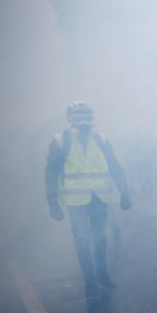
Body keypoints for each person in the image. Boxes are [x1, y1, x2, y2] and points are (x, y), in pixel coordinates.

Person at [45, 102, 131, 297]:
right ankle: (90, 281)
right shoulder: (60, 141)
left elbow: (114, 165)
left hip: (100, 197)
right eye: (80, 124)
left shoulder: (101, 139)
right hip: (76, 201)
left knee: (100, 240)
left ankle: (102, 275)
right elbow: (51, 174)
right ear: (72, 122)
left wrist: (125, 191)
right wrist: (53, 203)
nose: (85, 128)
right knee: (82, 240)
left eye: (87, 123)